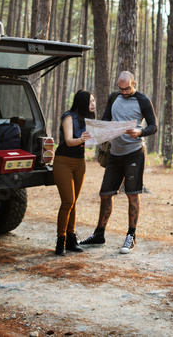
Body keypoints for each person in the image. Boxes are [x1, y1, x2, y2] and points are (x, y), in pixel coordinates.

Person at [80, 71, 156, 254]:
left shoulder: (143, 100)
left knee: (132, 194)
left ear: (134, 83)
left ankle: (131, 236)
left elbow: (153, 126)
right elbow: (106, 119)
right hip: (115, 153)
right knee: (105, 193)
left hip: (134, 153)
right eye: (121, 89)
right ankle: (99, 234)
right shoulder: (114, 97)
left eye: (127, 88)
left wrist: (140, 132)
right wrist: (101, 130)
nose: (124, 92)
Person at [54, 90, 93, 255]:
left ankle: (71, 238)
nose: (93, 104)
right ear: (83, 102)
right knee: (67, 201)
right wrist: (82, 139)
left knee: (74, 202)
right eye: (91, 101)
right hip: (63, 161)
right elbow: (69, 141)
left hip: (80, 163)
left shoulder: (87, 120)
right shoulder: (69, 117)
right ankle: (60, 240)